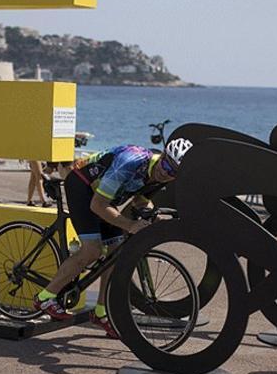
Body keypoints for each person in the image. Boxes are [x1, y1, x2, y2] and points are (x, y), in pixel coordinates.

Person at [33, 138, 192, 338]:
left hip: (103, 195)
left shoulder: (161, 178)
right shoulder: (131, 162)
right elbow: (98, 205)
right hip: (82, 186)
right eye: (167, 165)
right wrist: (131, 225)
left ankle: (101, 311)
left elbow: (141, 200)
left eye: (173, 172)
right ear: (163, 156)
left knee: (116, 252)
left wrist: (155, 217)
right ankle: (45, 296)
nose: (166, 172)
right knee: (93, 250)